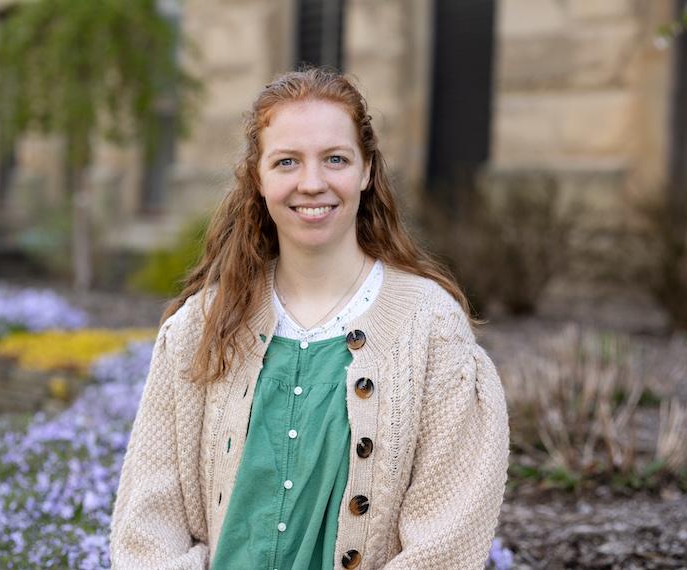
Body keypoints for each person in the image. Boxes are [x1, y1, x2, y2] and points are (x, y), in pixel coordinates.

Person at [109, 67, 509, 570]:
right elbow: (147, 530)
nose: (312, 183)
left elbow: (445, 544)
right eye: (287, 162)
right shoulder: (200, 327)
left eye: (335, 159)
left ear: (366, 171)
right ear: (259, 178)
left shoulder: (429, 329)